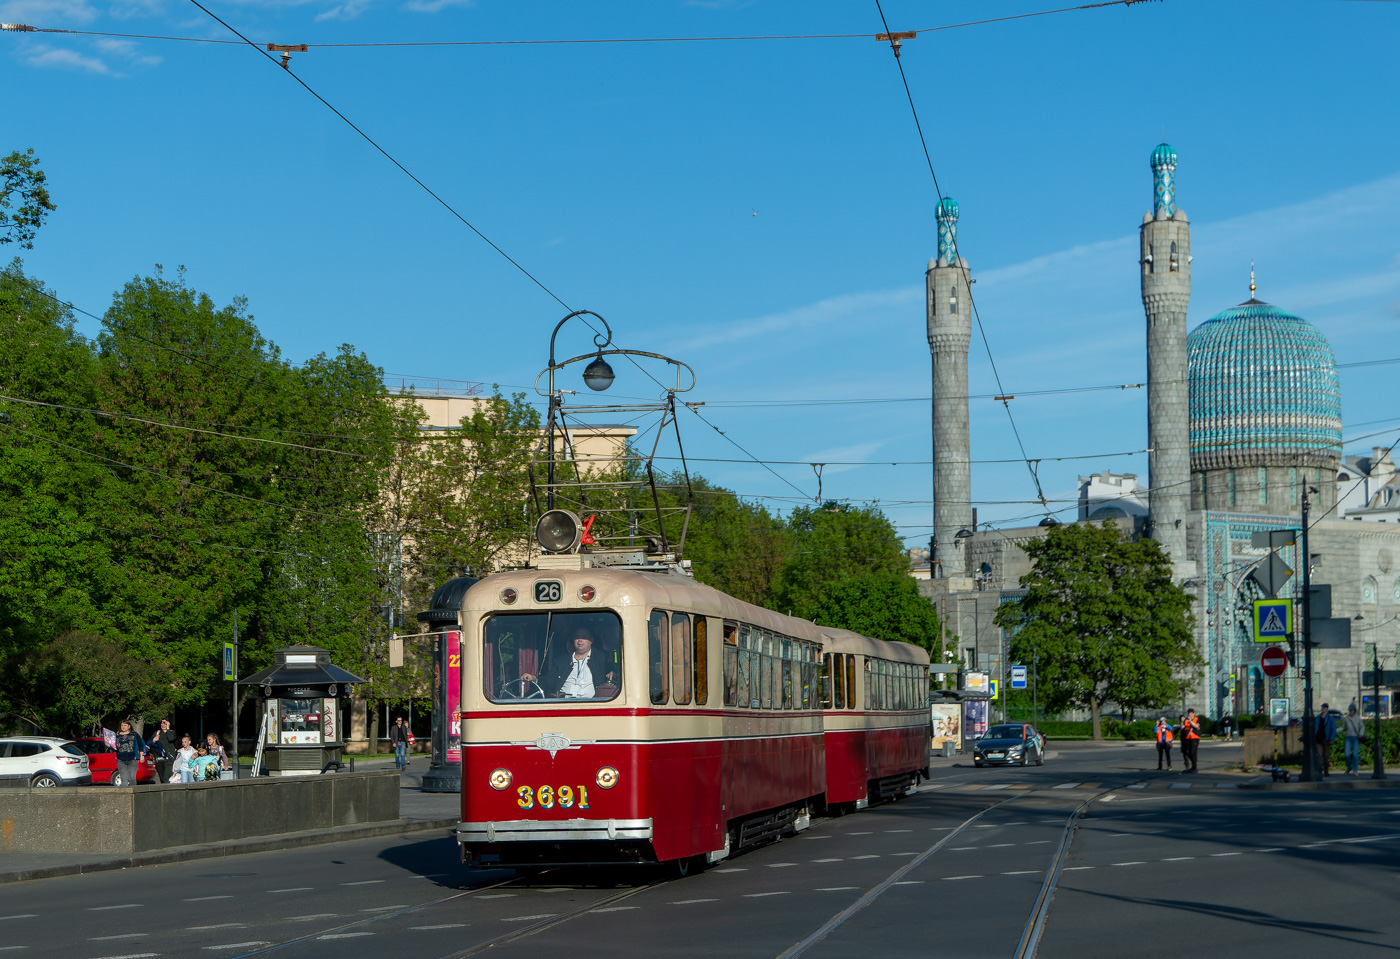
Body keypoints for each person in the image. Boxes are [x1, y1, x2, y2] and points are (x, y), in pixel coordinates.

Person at [524, 627, 615, 699]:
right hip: (564, 704)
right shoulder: (560, 661)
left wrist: (612, 672)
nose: (580, 640)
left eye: (584, 637)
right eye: (577, 637)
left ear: (591, 640)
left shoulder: (602, 657)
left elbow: (613, 670)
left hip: (591, 704)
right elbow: (548, 681)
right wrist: (534, 678)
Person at [112, 719, 148, 787]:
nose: (123, 727)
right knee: (124, 779)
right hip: (121, 760)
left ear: (129, 726)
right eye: (122, 725)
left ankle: (133, 793)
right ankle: (125, 795)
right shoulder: (117, 736)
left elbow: (140, 745)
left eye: (125, 725)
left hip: (132, 759)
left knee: (132, 778)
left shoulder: (134, 734)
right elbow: (112, 746)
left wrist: (141, 755)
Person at [148, 718, 177, 785]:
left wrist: (168, 729)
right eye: (162, 723)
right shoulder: (157, 733)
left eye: (165, 723)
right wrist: (154, 740)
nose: (163, 724)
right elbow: (150, 744)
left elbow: (171, 739)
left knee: (167, 777)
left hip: (169, 758)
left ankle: (167, 791)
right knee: (162, 777)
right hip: (159, 758)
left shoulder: (172, 732)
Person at [1342, 704, 1366, 775]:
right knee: (1347, 754)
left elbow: (1362, 726)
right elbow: (1343, 727)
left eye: (1351, 710)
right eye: (1349, 710)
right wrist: (1335, 731)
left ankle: (1355, 770)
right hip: (1348, 737)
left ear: (1354, 711)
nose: (1350, 712)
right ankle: (1349, 767)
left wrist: (1361, 734)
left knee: (1355, 754)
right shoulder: (1346, 718)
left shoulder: (1357, 718)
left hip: (1356, 737)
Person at [1316, 703, 1337, 777]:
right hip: (1318, 739)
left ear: (1327, 709)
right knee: (1319, 755)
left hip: (1326, 739)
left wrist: (1332, 739)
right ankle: (1319, 771)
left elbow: (1333, 729)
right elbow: (1315, 728)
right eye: (1322, 707)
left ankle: (1326, 771)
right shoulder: (1318, 717)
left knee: (1326, 756)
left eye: (1324, 708)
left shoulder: (1330, 718)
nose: (1323, 709)